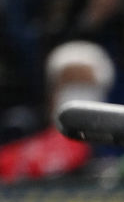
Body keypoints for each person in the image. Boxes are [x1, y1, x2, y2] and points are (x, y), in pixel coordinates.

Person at [0, 41, 115, 183]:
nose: (77, 91)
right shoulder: (22, 132)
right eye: (70, 82)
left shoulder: (119, 142)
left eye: (85, 83)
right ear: (52, 92)